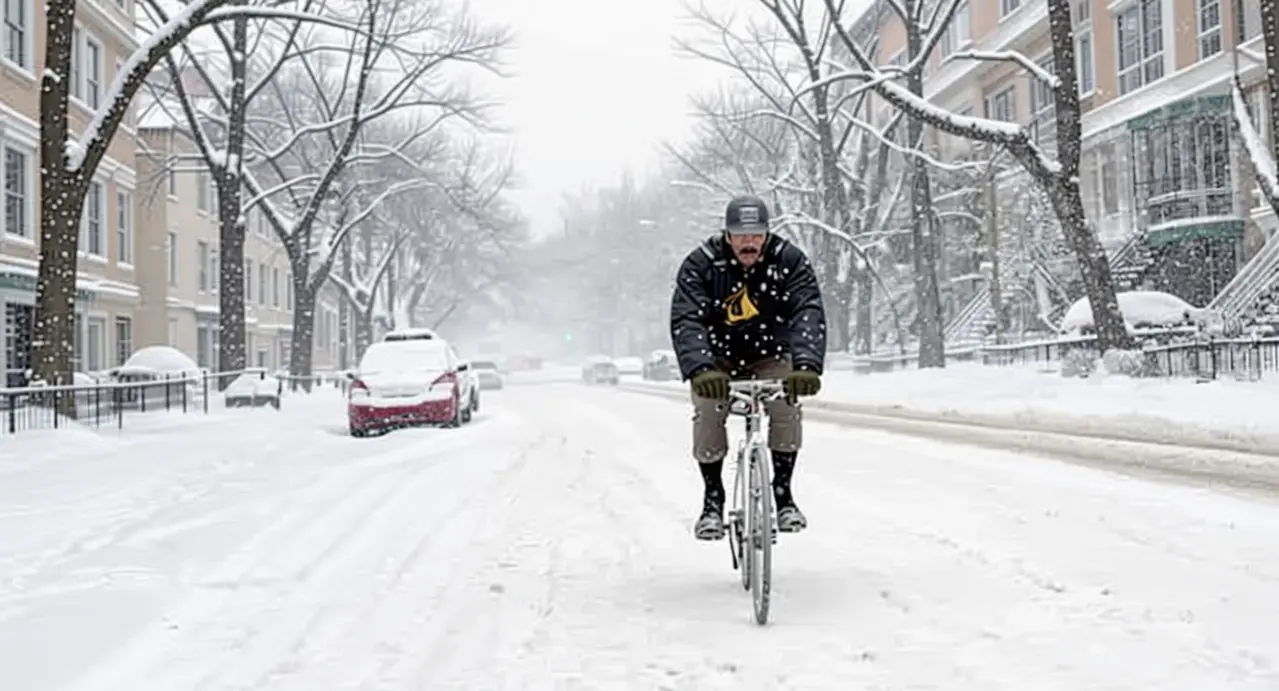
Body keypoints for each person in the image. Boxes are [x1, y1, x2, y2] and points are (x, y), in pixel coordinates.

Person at [669, 194, 827, 541]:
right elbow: (687, 318)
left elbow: (808, 310)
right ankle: (713, 499)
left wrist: (806, 365)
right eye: (741, 235)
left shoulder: (789, 261)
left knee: (787, 406)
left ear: (767, 234)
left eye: (756, 234)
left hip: (771, 354)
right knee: (708, 411)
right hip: (717, 359)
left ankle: (783, 495)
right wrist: (700, 369)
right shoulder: (702, 264)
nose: (749, 242)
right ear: (727, 234)